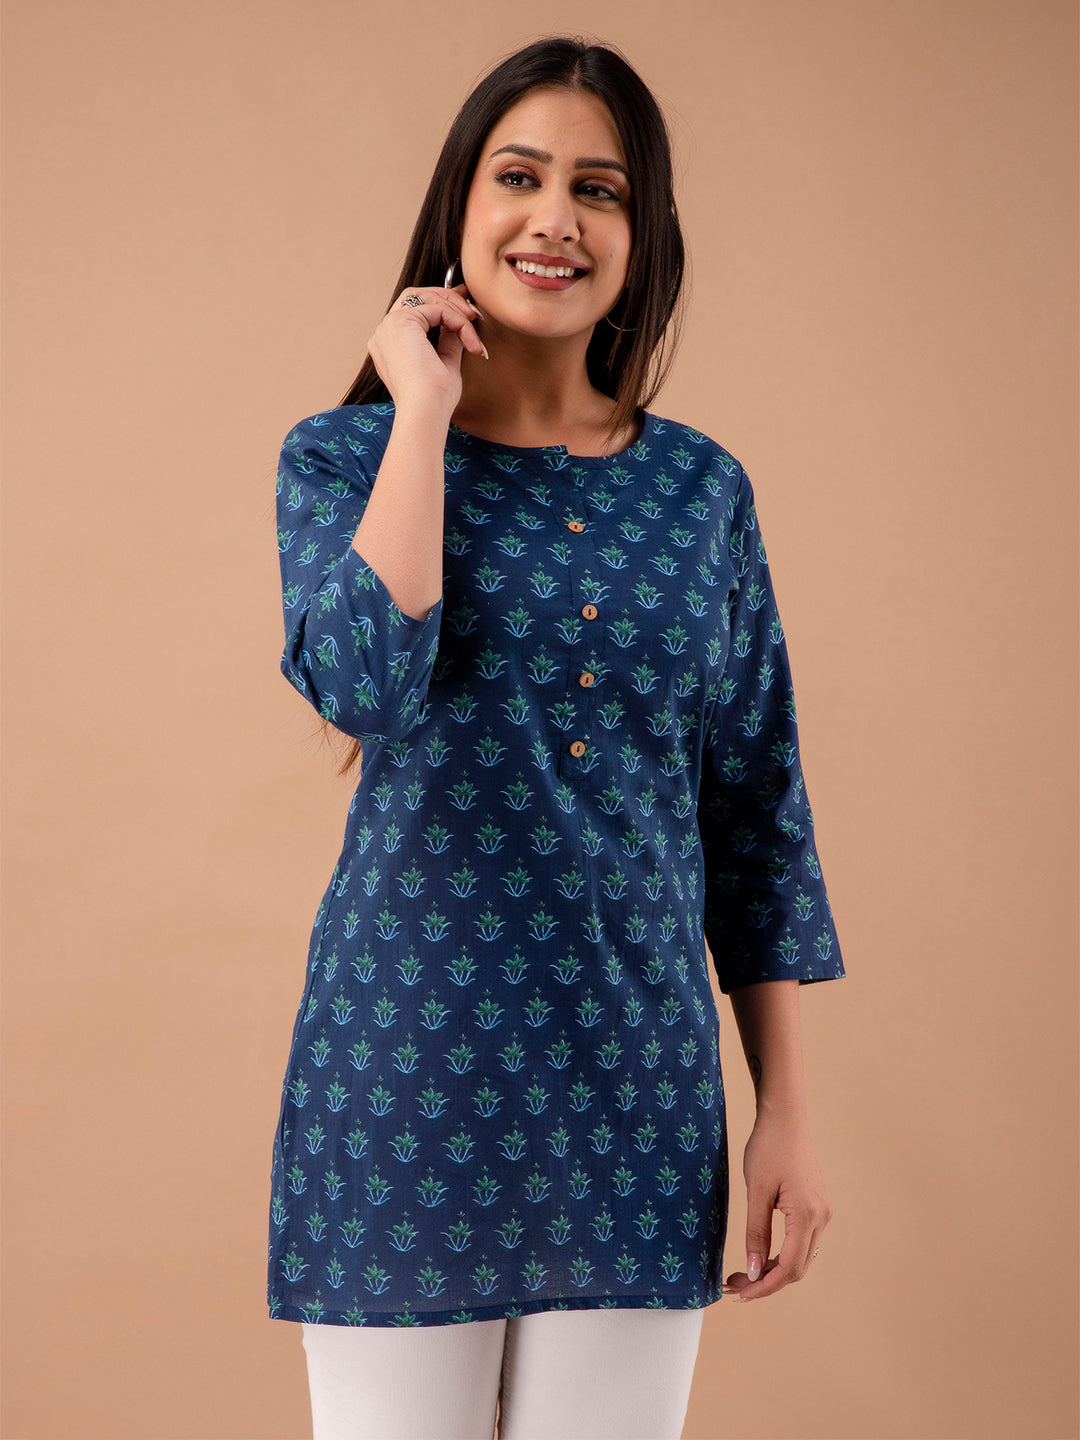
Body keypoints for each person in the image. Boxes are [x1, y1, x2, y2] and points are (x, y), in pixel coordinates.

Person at [268, 33, 846, 1440]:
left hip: (638, 1099)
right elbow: (364, 684)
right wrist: (422, 413)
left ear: (643, 239)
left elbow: (754, 807)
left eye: (600, 190)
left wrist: (783, 1110)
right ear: (460, 206)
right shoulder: (343, 457)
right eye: (519, 177)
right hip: (403, 1081)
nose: (556, 220)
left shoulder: (701, 491)